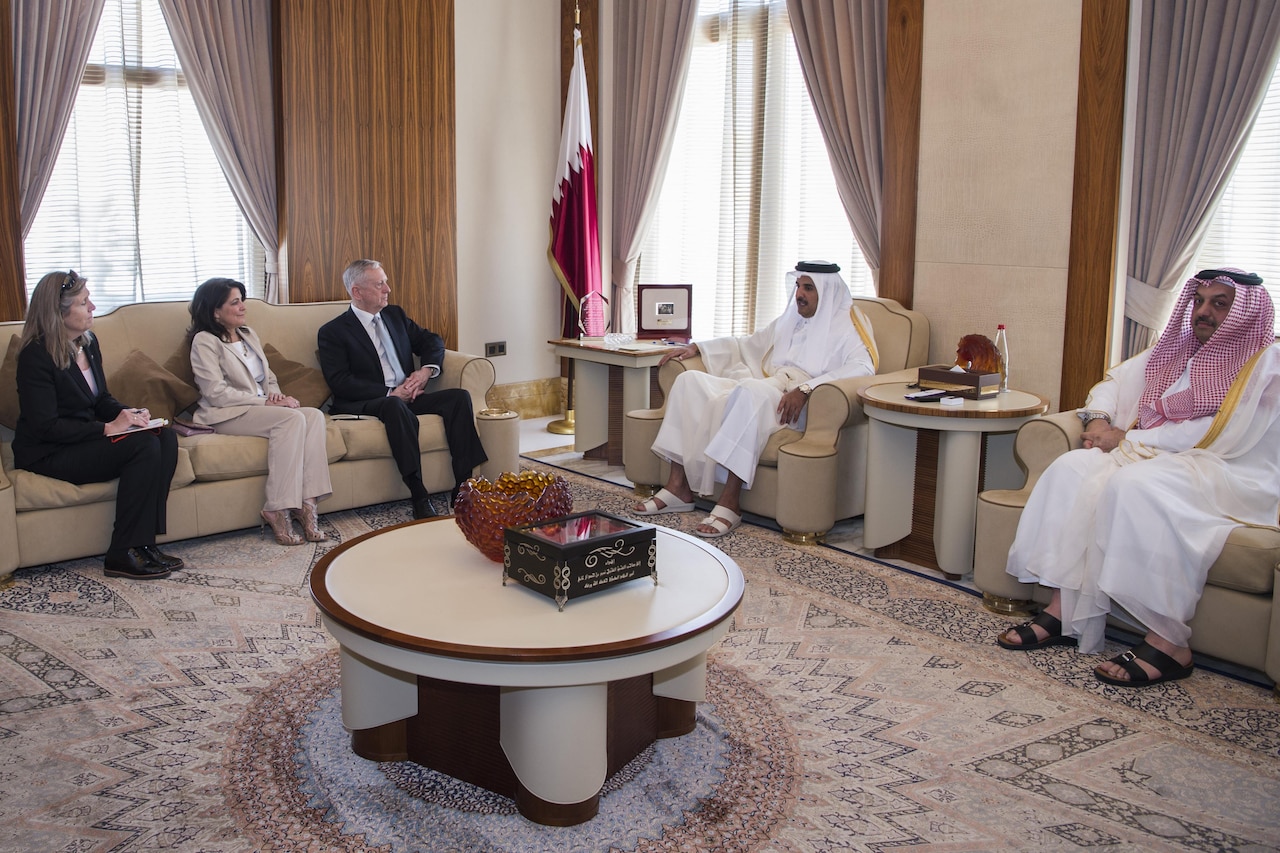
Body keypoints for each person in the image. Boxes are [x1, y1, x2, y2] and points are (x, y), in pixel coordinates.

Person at [996, 268, 1280, 688]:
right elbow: (1115, 382)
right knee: (1070, 468)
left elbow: (1217, 431)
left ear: (1243, 312)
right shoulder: (1179, 345)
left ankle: (1169, 644)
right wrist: (1098, 419)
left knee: (1136, 487)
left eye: (1220, 303)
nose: (1204, 312)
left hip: (1226, 466)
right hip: (1151, 452)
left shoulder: (1264, 364)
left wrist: (1126, 436)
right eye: (1199, 301)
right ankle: (1063, 612)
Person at [632, 261, 875, 537]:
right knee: (689, 382)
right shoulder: (789, 320)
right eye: (798, 286)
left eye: (808, 288)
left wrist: (808, 388)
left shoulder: (847, 326)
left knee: (749, 392)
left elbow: (863, 368)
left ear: (827, 292)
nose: (799, 295)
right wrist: (697, 347)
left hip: (802, 401)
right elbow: (747, 344)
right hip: (769, 384)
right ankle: (678, 488)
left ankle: (731, 503)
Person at [13, 271, 182, 580]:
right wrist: (107, 429)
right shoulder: (35, 356)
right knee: (142, 446)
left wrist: (128, 415)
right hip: (50, 452)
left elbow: (100, 398)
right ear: (58, 313)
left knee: (165, 437)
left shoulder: (87, 343)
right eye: (83, 303)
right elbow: (45, 426)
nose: (92, 308)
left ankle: (144, 544)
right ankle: (121, 552)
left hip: (83, 440)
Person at [317, 259, 487, 519]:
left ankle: (463, 487)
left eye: (385, 281)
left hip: (409, 394)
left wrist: (425, 371)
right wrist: (390, 393)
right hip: (372, 400)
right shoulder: (333, 331)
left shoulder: (394, 315)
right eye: (379, 284)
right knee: (395, 405)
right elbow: (340, 381)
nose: (388, 289)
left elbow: (432, 340)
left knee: (458, 398)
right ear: (357, 292)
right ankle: (418, 492)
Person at [187, 278, 333, 546]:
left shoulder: (248, 334)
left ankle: (306, 501)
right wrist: (265, 403)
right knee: (290, 419)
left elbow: (268, 377)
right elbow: (215, 393)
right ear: (215, 311)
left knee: (312, 415)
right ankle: (276, 507)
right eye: (235, 302)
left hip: (259, 406)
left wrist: (276, 395)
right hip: (226, 413)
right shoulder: (204, 341)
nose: (243, 306)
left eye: (242, 299)